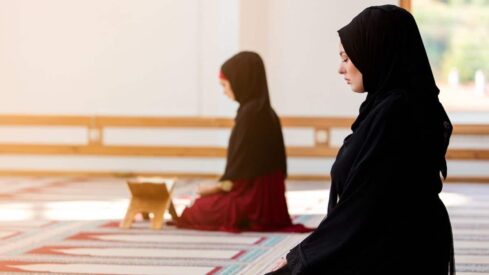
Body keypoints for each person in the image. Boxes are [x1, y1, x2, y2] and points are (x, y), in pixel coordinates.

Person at [268, 5, 455, 275]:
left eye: (346, 57)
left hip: (395, 251)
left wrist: (302, 256)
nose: (340, 69)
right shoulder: (387, 106)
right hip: (386, 241)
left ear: (376, 53)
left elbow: (366, 204)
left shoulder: (396, 112)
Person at [177, 51, 311, 233]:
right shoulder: (264, 111)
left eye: (224, 84)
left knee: (196, 209)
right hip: (270, 201)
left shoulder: (250, 115)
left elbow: (240, 179)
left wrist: (212, 188)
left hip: (255, 202)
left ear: (241, 81)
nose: (224, 91)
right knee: (201, 205)